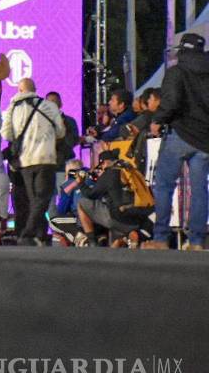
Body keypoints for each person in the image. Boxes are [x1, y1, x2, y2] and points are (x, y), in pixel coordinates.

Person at [144, 33, 209, 250]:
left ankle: (161, 238)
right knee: (199, 190)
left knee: (164, 186)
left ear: (182, 50)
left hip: (180, 134)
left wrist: (157, 120)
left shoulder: (176, 72)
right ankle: (197, 241)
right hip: (204, 140)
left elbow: (171, 101)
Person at [0, 79, 64, 246]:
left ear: (19, 90)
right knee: (42, 198)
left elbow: (6, 134)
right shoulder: (49, 106)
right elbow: (61, 131)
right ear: (35, 89)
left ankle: (38, 235)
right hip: (46, 157)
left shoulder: (13, 108)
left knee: (34, 198)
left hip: (25, 160)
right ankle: (29, 233)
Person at [76, 150, 150, 248]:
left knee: (82, 203)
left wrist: (80, 183)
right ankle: (131, 234)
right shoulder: (130, 169)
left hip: (118, 218)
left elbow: (91, 195)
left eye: (101, 166)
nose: (101, 168)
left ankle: (92, 241)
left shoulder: (109, 173)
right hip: (139, 217)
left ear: (105, 162)